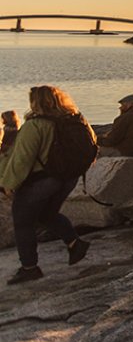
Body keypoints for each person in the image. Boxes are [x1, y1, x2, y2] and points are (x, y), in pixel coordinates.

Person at [1, 86, 93, 284]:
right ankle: (75, 244)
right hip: (68, 178)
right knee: (47, 214)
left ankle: (29, 268)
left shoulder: (35, 125)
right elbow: (92, 147)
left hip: (42, 180)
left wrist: (7, 183)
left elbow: (21, 160)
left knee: (23, 222)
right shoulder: (74, 119)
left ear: (36, 102)